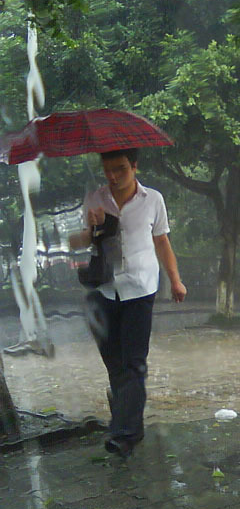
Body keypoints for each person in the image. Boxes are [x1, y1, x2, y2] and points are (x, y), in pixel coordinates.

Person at [69, 148, 186, 458]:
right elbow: (79, 242)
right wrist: (91, 230)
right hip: (104, 290)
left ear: (134, 166)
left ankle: (122, 433)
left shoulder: (153, 200)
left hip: (140, 288)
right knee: (115, 363)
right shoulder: (95, 198)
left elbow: (162, 241)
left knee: (134, 362)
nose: (113, 176)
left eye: (120, 169)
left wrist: (175, 280)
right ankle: (129, 419)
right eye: (108, 170)